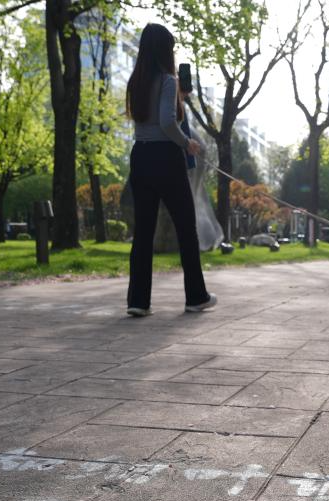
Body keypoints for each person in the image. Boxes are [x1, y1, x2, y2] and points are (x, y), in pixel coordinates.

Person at [124, 23, 215, 317]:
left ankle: (138, 301)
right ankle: (196, 296)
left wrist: (179, 99)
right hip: (166, 158)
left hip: (140, 156)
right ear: (165, 50)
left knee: (143, 233)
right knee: (186, 228)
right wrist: (187, 143)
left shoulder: (135, 82)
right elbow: (165, 122)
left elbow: (150, 117)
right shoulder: (167, 80)